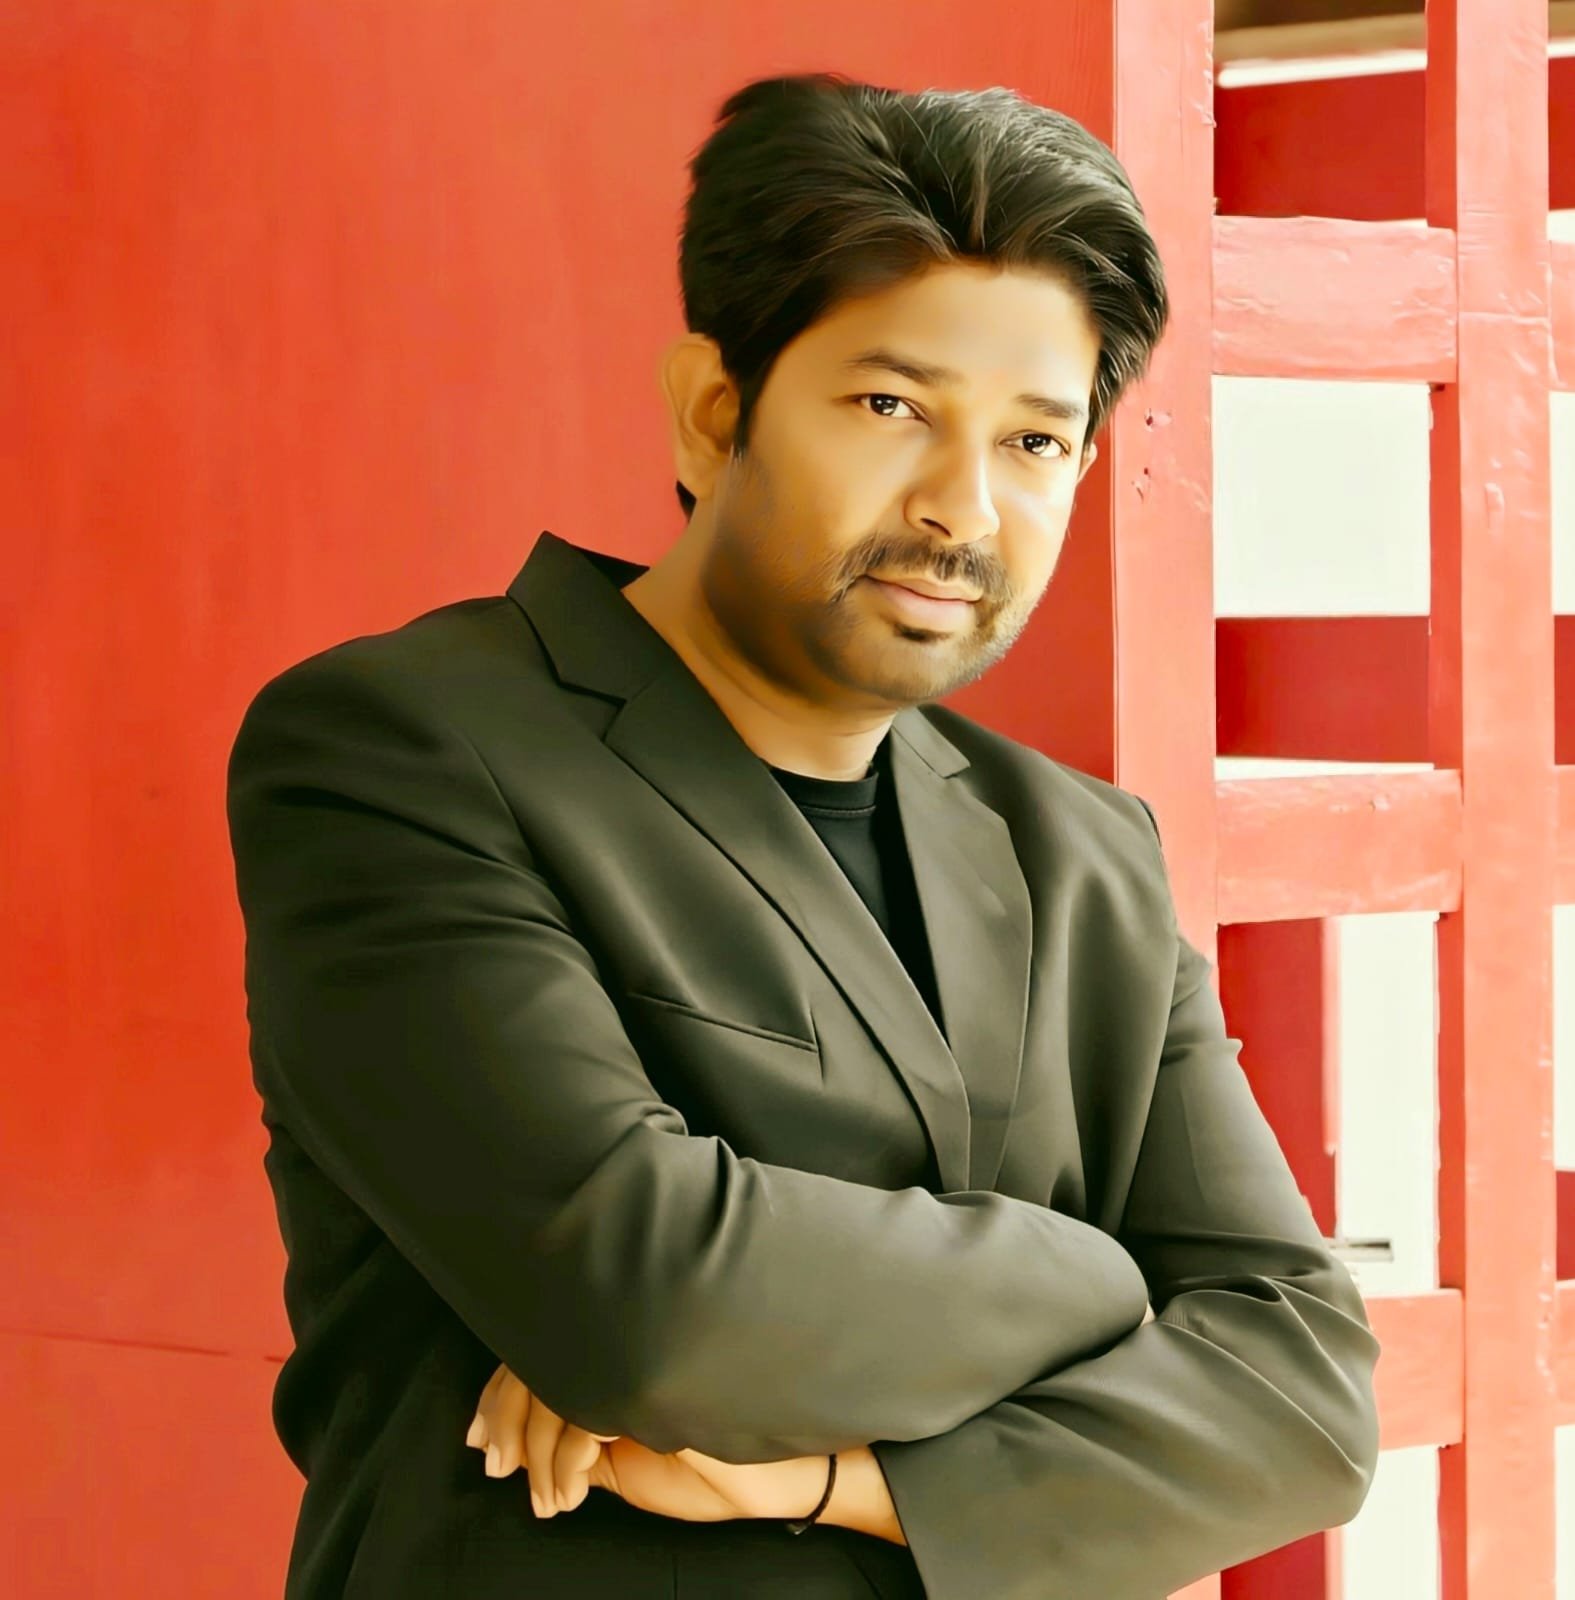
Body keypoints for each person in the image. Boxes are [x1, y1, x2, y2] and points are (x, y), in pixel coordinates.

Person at [226, 70, 1380, 1600]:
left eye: (1035, 443)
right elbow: (644, 1301)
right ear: (717, 413)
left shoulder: (1082, 852)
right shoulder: (404, 749)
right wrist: (1102, 1276)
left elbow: (1304, 1393)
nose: (963, 510)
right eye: (892, 407)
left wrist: (854, 1485)